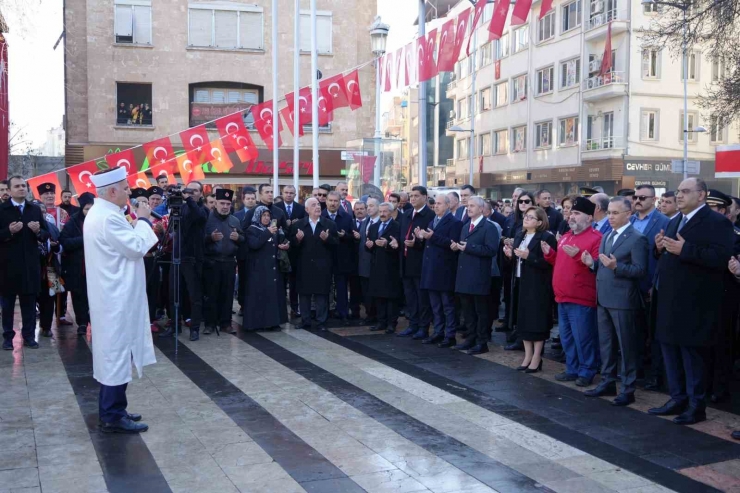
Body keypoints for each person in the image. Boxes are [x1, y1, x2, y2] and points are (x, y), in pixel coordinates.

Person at [649, 178, 733, 425]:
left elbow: (721, 258)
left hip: (696, 302)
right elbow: (671, 252)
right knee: (670, 351)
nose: (680, 196)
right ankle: (677, 398)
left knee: (691, 355)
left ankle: (697, 405)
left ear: (702, 195)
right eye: (678, 191)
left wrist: (685, 250)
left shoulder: (717, 222)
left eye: (685, 191)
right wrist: (660, 248)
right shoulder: (676, 220)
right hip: (670, 299)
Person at [84, 167, 158, 434]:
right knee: (115, 355)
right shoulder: (107, 218)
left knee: (117, 353)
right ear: (112, 191)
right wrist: (144, 220)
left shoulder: (104, 213)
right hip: (115, 298)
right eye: (126, 188)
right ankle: (112, 415)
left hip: (114, 295)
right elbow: (136, 246)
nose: (130, 192)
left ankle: (115, 407)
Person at [581, 197, 648, 406]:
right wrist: (592, 264)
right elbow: (603, 265)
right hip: (604, 298)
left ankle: (628, 388)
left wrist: (616, 267)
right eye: (609, 212)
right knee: (606, 344)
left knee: (626, 346)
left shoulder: (637, 238)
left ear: (628, 214)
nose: (610, 216)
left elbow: (640, 270)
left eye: (615, 213)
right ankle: (607, 381)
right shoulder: (607, 235)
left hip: (623, 300)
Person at [544, 196, 602, 386]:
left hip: (581, 298)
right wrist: (549, 254)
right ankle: (572, 368)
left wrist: (578, 256)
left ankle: (587, 371)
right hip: (562, 296)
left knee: (583, 337)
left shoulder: (596, 238)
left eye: (577, 213)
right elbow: (560, 263)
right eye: (571, 213)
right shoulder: (567, 236)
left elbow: (594, 266)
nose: (571, 216)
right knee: (567, 338)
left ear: (589, 217)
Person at [504, 206, 557, 372]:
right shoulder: (520, 235)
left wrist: (530, 257)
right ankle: (527, 355)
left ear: (539, 222)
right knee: (523, 320)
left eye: (531, 217)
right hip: (520, 282)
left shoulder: (546, 238)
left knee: (536, 322)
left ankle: (536, 357)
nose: (526, 219)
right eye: (526, 216)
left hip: (538, 285)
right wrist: (510, 256)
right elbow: (516, 260)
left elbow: (549, 263)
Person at [0, 176, 50, 350]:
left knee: (29, 304)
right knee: (7, 306)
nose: (21, 188)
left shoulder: (34, 209)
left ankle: (28, 336)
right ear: (9, 190)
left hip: (30, 265)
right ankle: (8, 337)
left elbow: (45, 234)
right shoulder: (2, 209)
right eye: (17, 186)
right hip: (8, 266)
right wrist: (8, 231)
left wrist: (38, 232)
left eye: (24, 186)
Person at [629, 184, 670, 391]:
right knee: (634, 331)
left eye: (643, 198)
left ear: (654, 200)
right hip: (630, 283)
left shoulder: (664, 222)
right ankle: (635, 371)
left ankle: (656, 376)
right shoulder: (631, 221)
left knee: (653, 333)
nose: (638, 201)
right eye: (635, 197)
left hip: (651, 283)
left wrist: (655, 284)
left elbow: (663, 258)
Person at [159, 181, 208, 341]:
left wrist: (190, 200)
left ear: (201, 193)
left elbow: (199, 217)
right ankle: (175, 326)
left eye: (194, 191)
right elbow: (173, 227)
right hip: (177, 256)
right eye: (189, 190)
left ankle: (194, 328)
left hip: (192, 258)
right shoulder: (181, 207)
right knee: (174, 293)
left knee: (194, 295)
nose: (191, 193)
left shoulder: (202, 209)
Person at [704, 189, 740, 404]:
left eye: (713, 209)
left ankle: (720, 386)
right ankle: (705, 384)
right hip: (703, 296)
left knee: (722, 344)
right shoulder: (700, 233)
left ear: (724, 211)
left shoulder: (734, 236)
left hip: (725, 297)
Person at [452, 196, 499, 355]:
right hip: (465, 275)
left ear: (481, 209)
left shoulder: (488, 227)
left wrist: (469, 247)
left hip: (479, 276)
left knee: (481, 311)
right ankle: (470, 339)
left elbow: (491, 250)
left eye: (472, 206)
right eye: (468, 206)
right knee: (468, 311)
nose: (469, 208)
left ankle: (481, 341)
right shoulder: (466, 227)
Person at [417, 194, 462, 347]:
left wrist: (432, 236)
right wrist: (421, 237)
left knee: (447, 306)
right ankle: (438, 332)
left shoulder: (455, 222)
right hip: (431, 269)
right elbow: (430, 243)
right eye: (435, 204)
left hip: (445, 270)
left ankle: (450, 335)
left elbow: (453, 243)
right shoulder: (432, 221)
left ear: (448, 205)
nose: (436, 206)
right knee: (435, 306)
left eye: (439, 204)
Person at [290, 198, 338, 330]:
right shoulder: (298, 225)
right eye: (313, 205)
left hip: (322, 266)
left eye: (318, 204)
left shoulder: (329, 224)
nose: (317, 207)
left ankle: (321, 321)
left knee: (321, 294)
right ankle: (305, 321)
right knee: (304, 295)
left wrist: (327, 239)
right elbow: (291, 247)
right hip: (304, 265)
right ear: (307, 209)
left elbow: (336, 244)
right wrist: (297, 240)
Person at [396, 186, 435, 339]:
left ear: (425, 197)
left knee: (422, 298)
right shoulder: (406, 215)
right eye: (411, 196)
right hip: (405, 261)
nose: (413, 199)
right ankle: (412, 324)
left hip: (420, 263)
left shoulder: (429, 215)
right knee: (410, 297)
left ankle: (423, 327)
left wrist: (417, 243)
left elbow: (431, 241)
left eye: (416, 196)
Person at [203, 189, 243, 335]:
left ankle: (226, 323)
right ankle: (210, 324)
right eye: (222, 203)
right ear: (215, 204)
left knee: (227, 295)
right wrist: (210, 239)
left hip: (229, 263)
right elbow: (198, 241)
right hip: (212, 262)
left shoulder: (235, 220)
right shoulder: (207, 219)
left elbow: (243, 240)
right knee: (211, 294)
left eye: (228, 203)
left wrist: (238, 238)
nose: (225, 206)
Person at [244, 205, 289, 331]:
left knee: (273, 296)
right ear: (258, 216)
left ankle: (274, 322)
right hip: (258, 269)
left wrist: (285, 244)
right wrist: (268, 232)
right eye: (263, 215)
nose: (266, 218)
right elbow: (254, 244)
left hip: (273, 268)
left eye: (268, 215)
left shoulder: (273, 229)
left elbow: (279, 242)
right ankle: (257, 323)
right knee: (259, 296)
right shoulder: (252, 229)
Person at [504, 190, 537, 349]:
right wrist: (509, 250)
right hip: (515, 271)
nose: (523, 204)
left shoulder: (540, 231)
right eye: (520, 201)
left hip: (531, 275)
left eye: (526, 201)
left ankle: (525, 339)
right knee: (515, 303)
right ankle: (516, 332)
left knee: (527, 308)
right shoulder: (515, 222)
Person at [59, 192, 95, 335]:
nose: (89, 212)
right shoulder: (73, 221)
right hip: (78, 267)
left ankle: (96, 322)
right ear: (81, 209)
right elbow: (65, 242)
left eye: (92, 209)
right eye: (87, 209)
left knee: (95, 297)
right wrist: (84, 239)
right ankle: (81, 323)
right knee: (79, 296)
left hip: (97, 268)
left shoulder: (101, 221)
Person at [367, 202, 402, 333]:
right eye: (380, 211)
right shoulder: (374, 227)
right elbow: (369, 245)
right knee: (378, 295)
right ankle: (381, 321)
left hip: (391, 266)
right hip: (376, 266)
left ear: (391, 212)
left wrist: (387, 244)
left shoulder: (397, 226)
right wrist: (369, 245)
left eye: (385, 211)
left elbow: (398, 244)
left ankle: (391, 323)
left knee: (391, 297)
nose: (382, 214)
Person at [323, 191, 356, 324]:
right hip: (324, 258)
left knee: (341, 287)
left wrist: (344, 236)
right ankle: (324, 313)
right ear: (326, 202)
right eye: (330, 200)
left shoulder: (347, 217)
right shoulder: (320, 215)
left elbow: (353, 236)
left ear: (340, 202)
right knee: (324, 287)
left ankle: (343, 313)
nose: (333, 203)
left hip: (342, 258)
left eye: (335, 201)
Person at [276, 185, 305, 318]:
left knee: (294, 281)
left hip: (295, 249)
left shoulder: (300, 208)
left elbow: (304, 224)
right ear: (282, 193)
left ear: (295, 194)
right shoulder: (277, 208)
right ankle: (280, 307)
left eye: (291, 193)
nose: (288, 195)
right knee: (280, 280)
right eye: (286, 192)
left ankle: (294, 307)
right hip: (280, 248)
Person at [357, 198, 380, 325]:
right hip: (364, 263)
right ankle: (369, 314)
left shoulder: (383, 223)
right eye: (368, 206)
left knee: (376, 291)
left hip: (377, 264)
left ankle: (377, 316)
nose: (369, 208)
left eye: (371, 206)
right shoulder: (365, 222)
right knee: (366, 291)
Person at [235, 187, 257, 316]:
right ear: (243, 200)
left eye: (253, 199)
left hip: (257, 252)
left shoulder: (260, 213)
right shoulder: (237, 215)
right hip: (243, 252)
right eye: (248, 199)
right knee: (243, 280)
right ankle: (243, 305)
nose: (250, 201)